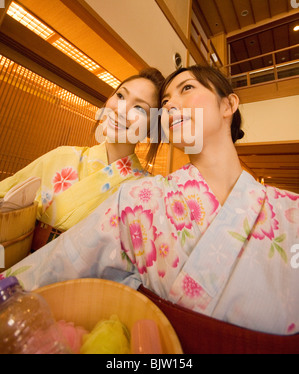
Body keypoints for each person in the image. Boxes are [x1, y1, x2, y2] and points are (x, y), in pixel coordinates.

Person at [2, 65, 298, 336]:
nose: (171, 106)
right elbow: (54, 267)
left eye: (186, 88)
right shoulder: (137, 201)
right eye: (165, 103)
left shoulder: (291, 212)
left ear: (228, 104)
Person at [0, 68, 164, 249]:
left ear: (151, 127)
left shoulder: (148, 190)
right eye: (120, 96)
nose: (121, 110)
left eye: (139, 108)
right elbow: (5, 197)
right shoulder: (62, 156)